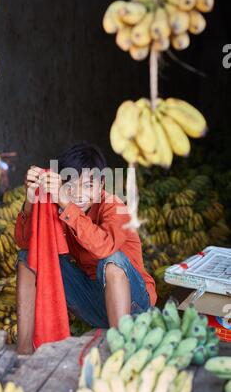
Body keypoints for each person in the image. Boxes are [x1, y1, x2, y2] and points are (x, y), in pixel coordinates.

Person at [14, 142, 157, 355]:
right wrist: (30, 197)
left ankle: (120, 354)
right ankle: (24, 351)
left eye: (89, 186)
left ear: (102, 184)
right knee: (28, 258)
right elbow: (25, 242)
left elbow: (104, 247)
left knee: (113, 260)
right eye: (70, 186)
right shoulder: (59, 205)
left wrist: (66, 204)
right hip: (94, 303)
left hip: (136, 305)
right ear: (60, 184)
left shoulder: (114, 206)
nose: (79, 194)